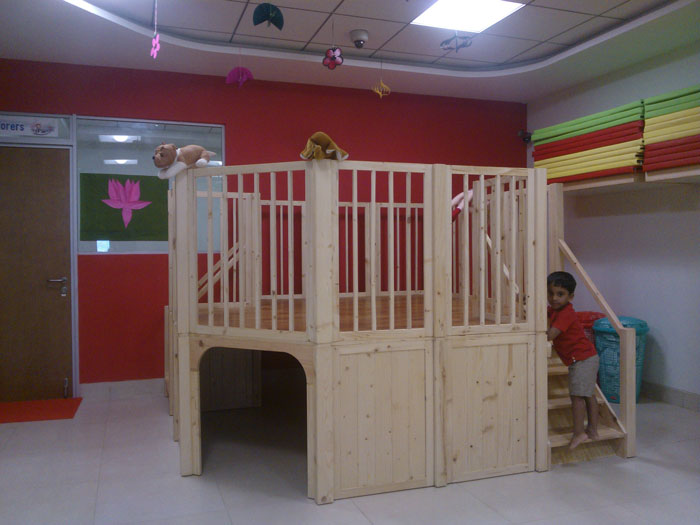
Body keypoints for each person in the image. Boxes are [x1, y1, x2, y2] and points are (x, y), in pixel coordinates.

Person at [547, 271, 600, 450]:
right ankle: (592, 430)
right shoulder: (555, 310)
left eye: (560, 294)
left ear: (570, 297)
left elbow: (551, 335)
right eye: (550, 293)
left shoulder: (566, 314)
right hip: (586, 357)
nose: (554, 298)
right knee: (588, 394)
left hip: (582, 360)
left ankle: (579, 433)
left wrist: (539, 333)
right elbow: (545, 311)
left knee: (577, 397)